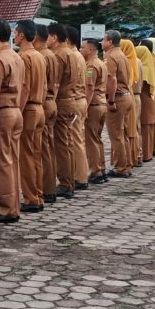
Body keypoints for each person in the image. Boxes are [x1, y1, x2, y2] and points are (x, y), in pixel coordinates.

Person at [0, 19, 23, 224]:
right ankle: (14, 205)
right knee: (12, 161)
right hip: (16, 111)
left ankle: (7, 208)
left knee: (2, 163)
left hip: (3, 112)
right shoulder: (16, 56)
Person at [14, 19, 46, 213]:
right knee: (35, 155)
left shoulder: (24, 57)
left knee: (26, 156)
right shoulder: (39, 56)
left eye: (16, 33)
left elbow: (24, 87)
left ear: (22, 35)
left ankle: (30, 198)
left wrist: (18, 110)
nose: (14, 36)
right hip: (39, 107)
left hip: (29, 109)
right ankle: (38, 195)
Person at [48, 23, 79, 199]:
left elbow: (56, 83)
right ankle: (69, 181)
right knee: (67, 143)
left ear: (54, 38)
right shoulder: (71, 53)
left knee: (61, 145)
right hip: (71, 100)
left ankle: (66, 183)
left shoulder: (59, 55)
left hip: (61, 101)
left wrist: (50, 101)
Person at [102, 30, 133, 178]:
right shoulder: (122, 54)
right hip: (126, 96)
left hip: (118, 98)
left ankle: (120, 167)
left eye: (103, 40)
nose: (101, 42)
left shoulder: (111, 56)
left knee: (116, 135)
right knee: (123, 134)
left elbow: (112, 79)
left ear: (110, 42)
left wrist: (110, 100)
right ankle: (126, 164)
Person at [35, 24, 59, 204]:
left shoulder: (41, 56)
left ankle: (46, 189)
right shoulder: (51, 54)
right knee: (49, 147)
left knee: (42, 149)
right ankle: (49, 188)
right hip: (52, 101)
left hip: (43, 102)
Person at [65, 26, 89, 190]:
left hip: (75, 99)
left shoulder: (72, 56)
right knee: (77, 139)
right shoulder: (78, 55)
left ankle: (80, 177)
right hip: (80, 99)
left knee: (76, 140)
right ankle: (78, 174)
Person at [81, 38, 107, 184]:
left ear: (90, 50)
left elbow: (90, 88)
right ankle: (101, 168)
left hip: (94, 105)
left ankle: (96, 171)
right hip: (101, 103)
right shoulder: (101, 63)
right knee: (97, 138)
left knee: (91, 140)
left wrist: (85, 106)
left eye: (82, 47)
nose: (80, 50)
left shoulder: (91, 66)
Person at [120, 39, 141, 168]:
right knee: (134, 127)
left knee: (127, 128)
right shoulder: (136, 61)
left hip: (125, 95)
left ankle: (129, 158)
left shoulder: (125, 62)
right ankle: (135, 156)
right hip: (132, 96)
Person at [135, 44, 155, 163]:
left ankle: (146, 154)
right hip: (150, 98)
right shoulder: (150, 64)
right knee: (149, 127)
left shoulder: (143, 68)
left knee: (144, 127)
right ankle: (150, 151)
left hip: (144, 99)